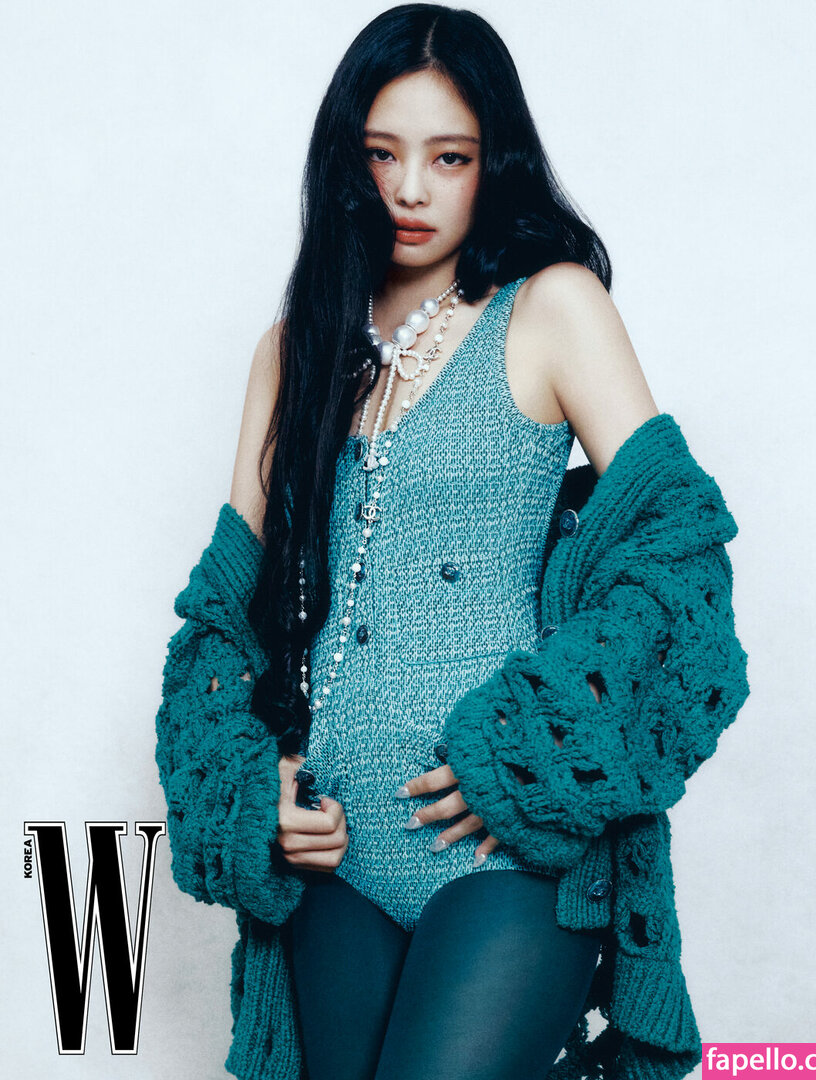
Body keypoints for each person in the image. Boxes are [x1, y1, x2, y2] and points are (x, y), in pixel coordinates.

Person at [155, 5, 750, 1080]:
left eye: (450, 157)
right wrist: (254, 796)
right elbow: (219, 622)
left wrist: (528, 753)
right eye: (381, 154)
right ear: (344, 162)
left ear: (494, 163)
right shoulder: (295, 350)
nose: (412, 189)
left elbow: (680, 558)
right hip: (335, 857)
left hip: (504, 848)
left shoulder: (552, 308)